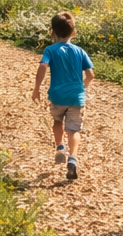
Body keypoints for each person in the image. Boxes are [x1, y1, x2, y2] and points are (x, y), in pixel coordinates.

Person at [31, 11, 94, 181]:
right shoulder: (80, 51)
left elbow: (43, 66)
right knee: (74, 130)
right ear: (73, 32)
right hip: (76, 97)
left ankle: (60, 147)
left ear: (52, 31)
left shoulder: (50, 50)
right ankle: (73, 157)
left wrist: (36, 88)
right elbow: (91, 75)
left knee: (57, 121)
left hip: (57, 97)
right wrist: (83, 87)